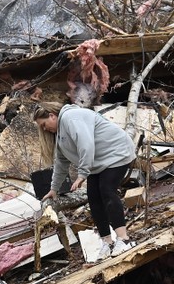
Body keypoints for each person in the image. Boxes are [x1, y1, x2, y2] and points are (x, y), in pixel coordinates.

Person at [34, 102, 137, 260]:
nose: (44, 129)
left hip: (117, 152)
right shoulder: (61, 137)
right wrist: (53, 188)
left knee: (106, 190)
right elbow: (61, 164)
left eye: (44, 124)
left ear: (52, 116)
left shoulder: (70, 117)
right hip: (100, 163)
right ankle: (107, 242)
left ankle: (124, 240)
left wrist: (82, 174)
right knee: (94, 198)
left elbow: (86, 144)